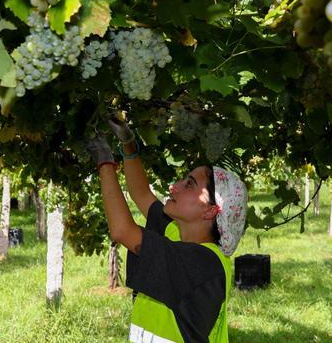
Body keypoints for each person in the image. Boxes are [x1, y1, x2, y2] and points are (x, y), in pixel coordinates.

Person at [86, 114, 247, 343]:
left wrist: (104, 162)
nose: (174, 187)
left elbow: (122, 230)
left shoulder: (203, 263)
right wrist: (127, 143)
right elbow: (142, 194)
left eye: (190, 184)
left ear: (211, 211)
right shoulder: (178, 232)